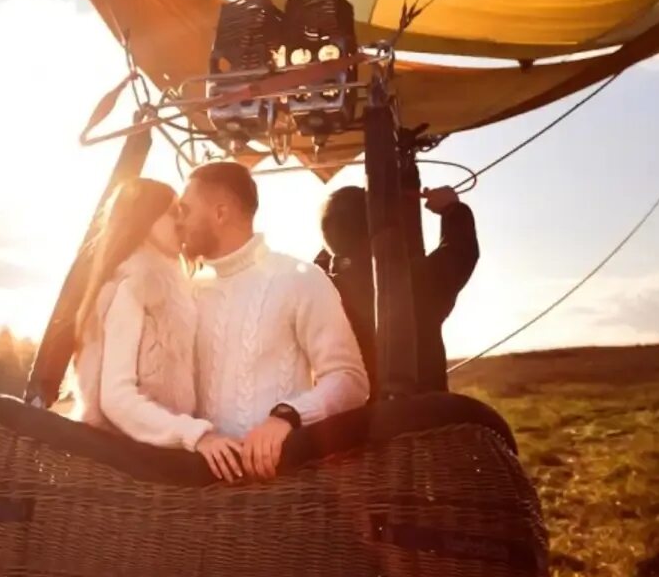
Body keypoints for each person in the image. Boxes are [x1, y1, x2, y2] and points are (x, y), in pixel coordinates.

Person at [175, 161, 369, 480]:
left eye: (186, 210)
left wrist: (286, 417)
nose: (179, 223)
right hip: (202, 495)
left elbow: (349, 379)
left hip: (287, 489)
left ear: (220, 213)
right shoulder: (188, 291)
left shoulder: (299, 277)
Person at [70, 178, 247, 481]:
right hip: (126, 469)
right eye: (173, 212)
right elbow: (116, 399)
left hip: (158, 461)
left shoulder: (176, 290)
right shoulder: (132, 287)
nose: (183, 223)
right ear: (145, 220)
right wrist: (195, 435)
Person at [316, 184, 479, 393]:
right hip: (420, 419)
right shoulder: (416, 282)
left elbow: (329, 256)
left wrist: (334, 233)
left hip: (350, 421)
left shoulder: (320, 293)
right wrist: (453, 209)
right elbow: (460, 252)